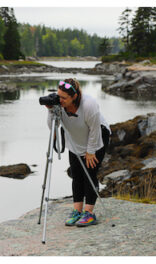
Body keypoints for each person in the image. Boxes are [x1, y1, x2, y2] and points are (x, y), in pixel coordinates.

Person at [46, 78, 111, 227]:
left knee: (89, 173)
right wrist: (50, 110)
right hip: (74, 140)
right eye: (59, 96)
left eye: (64, 97)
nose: (60, 99)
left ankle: (89, 213)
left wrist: (90, 151)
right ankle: (77, 211)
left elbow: (95, 130)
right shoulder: (59, 105)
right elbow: (52, 128)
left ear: (74, 97)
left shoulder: (89, 105)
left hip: (97, 138)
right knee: (76, 175)